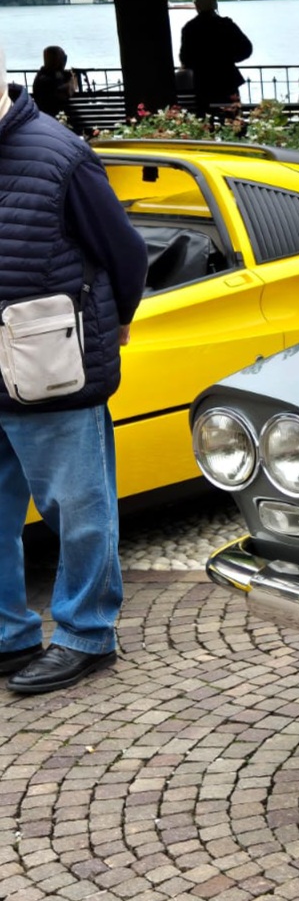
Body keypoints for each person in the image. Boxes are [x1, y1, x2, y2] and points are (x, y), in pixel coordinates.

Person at [0, 43, 148, 695]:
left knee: (79, 510)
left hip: (51, 363)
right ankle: (8, 635)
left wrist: (118, 323)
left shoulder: (61, 154)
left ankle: (87, 634)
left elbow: (126, 253)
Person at [178, 0, 253, 118]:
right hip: (228, 81)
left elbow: (185, 58)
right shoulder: (227, 25)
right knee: (233, 120)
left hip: (203, 83)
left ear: (196, 5)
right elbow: (247, 49)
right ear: (215, 4)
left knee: (206, 121)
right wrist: (228, 59)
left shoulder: (190, 28)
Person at [30, 46, 79, 129]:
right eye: (63, 58)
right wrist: (71, 81)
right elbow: (65, 93)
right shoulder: (46, 79)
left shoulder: (45, 75)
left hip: (50, 118)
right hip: (54, 118)